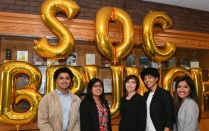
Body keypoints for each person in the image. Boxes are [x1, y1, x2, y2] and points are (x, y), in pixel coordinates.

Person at [140, 67, 174, 131]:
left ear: (156, 78)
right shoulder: (145, 95)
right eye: (145, 79)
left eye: (150, 77)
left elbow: (170, 115)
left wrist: (166, 129)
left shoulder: (164, 94)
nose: (147, 80)